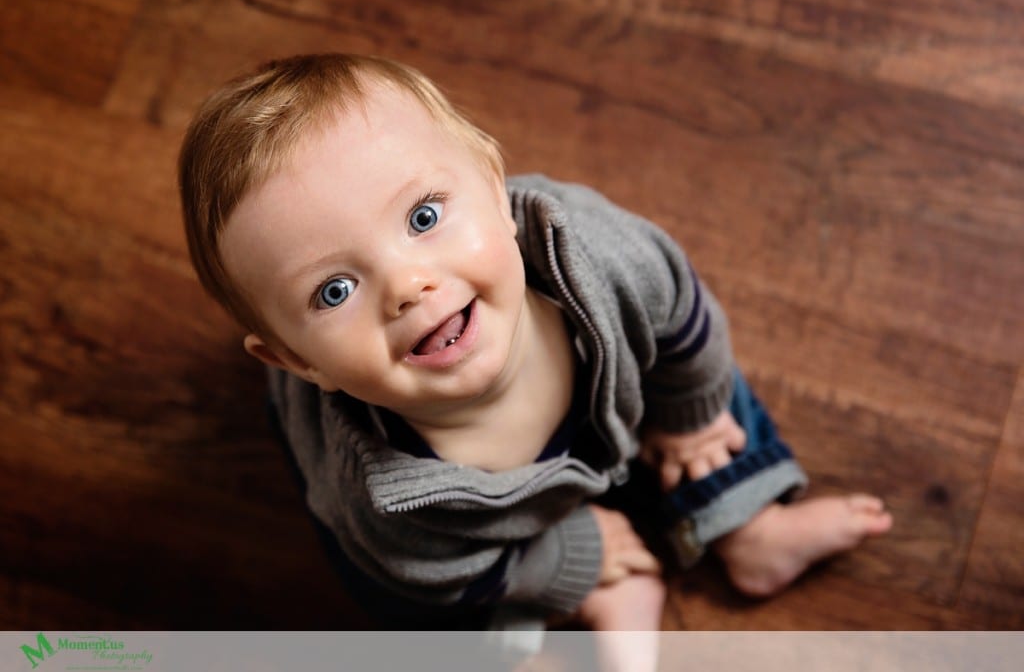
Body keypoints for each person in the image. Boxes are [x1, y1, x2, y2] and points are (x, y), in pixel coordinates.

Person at [178, 53, 893, 640]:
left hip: (619, 398)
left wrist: (693, 416)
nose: (406, 284)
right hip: (464, 537)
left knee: (709, 388)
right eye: (334, 290)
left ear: (494, 189)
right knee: (408, 604)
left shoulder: (596, 254)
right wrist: (564, 559)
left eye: (423, 216)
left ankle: (749, 523)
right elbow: (429, 570)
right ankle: (596, 596)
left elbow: (680, 312)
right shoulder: (381, 496)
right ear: (298, 362)